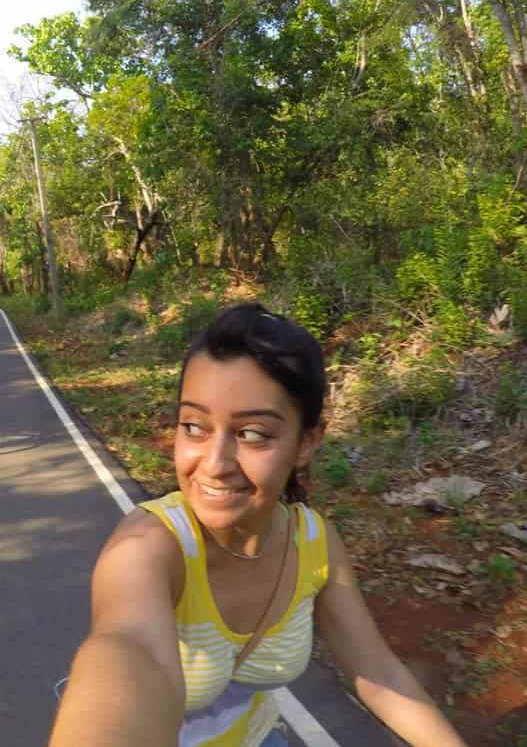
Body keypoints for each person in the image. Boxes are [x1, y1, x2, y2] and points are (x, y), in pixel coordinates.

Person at [48, 303, 467, 747]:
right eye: (193, 427)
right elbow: (131, 651)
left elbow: (378, 673)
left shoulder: (314, 543)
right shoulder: (145, 547)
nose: (214, 464)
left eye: (252, 434)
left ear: (306, 442)